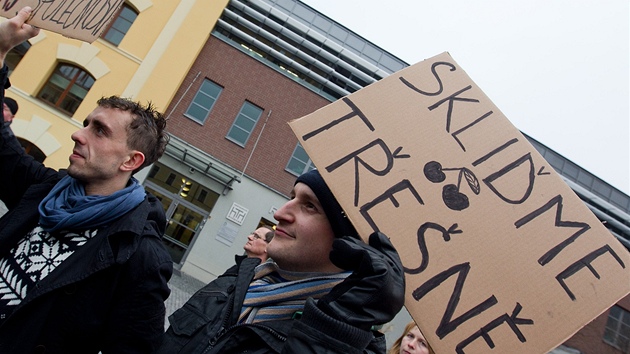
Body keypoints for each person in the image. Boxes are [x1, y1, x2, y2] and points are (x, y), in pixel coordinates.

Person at [0, 7, 173, 353]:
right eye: (86, 123)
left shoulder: (139, 256)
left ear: (131, 160)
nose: (78, 135)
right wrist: (1, 50)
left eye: (100, 131)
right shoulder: (47, 190)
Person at [157, 169, 405, 353]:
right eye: (292, 196)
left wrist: (331, 334)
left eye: (309, 206)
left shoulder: (347, 344)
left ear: (348, 243)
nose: (279, 213)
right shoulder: (238, 278)